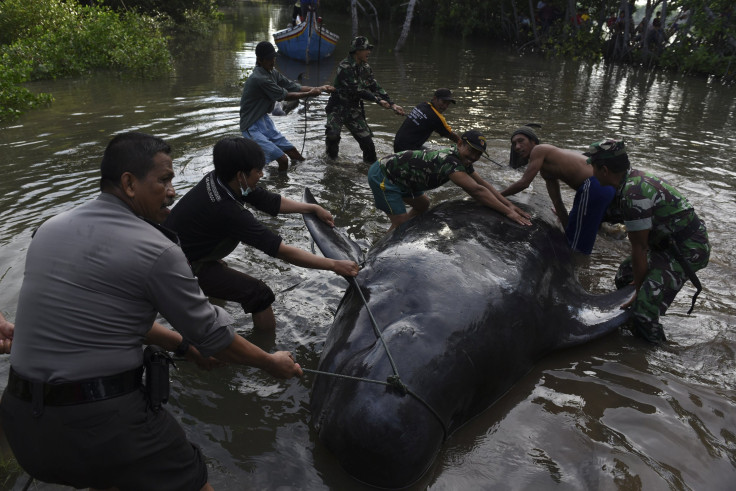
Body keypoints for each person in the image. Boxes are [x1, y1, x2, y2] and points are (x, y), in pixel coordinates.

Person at [0, 132, 302, 491]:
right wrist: (272, 363)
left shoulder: (48, 230)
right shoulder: (157, 248)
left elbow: (112, 318)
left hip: (24, 431)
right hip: (104, 424)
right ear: (129, 183)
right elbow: (214, 337)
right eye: (164, 180)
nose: (173, 191)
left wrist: (181, 346)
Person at [164, 136, 359, 331]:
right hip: (178, 268)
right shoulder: (228, 210)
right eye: (258, 171)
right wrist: (334, 265)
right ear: (241, 175)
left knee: (220, 273)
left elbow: (269, 201)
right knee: (259, 294)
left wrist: (311, 208)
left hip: (179, 250)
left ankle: (209, 304)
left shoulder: (220, 179)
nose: (262, 175)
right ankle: (265, 351)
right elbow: (281, 251)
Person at [587, 139, 710, 344]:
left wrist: (640, 290)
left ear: (605, 170)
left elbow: (640, 248)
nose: (591, 171)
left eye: (593, 166)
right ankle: (634, 324)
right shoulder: (630, 181)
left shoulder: (634, 194)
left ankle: (655, 354)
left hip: (688, 250)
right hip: (666, 245)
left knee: (644, 310)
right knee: (624, 275)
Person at [368, 130, 532, 231]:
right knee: (400, 224)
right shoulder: (450, 162)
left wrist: (510, 204)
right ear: (460, 144)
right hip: (384, 176)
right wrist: (508, 212)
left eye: (478, 154)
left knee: (423, 205)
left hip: (404, 178)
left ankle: (406, 232)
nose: (473, 157)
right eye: (471, 151)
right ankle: (378, 252)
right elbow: (477, 191)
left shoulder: (461, 160)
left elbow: (483, 184)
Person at [501, 126, 615, 255]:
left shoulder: (539, 149)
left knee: (578, 247)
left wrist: (498, 195)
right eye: (514, 144)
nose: (517, 147)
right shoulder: (547, 172)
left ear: (534, 142)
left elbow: (524, 183)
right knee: (576, 233)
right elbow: (558, 203)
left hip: (595, 185)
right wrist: (567, 232)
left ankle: (582, 266)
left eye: (521, 141)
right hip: (603, 186)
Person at [240, 41, 334, 172]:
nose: (272, 61)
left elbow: (294, 86)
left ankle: (296, 174)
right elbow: (284, 96)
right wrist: (309, 93)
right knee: (283, 159)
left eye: (273, 58)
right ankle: (279, 185)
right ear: (259, 60)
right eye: (268, 59)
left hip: (263, 120)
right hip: (251, 125)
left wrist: (320, 88)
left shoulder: (272, 73)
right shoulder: (260, 79)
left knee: (294, 153)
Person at [325, 36, 405, 163]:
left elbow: (374, 86)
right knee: (333, 135)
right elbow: (357, 90)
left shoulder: (365, 67)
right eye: (366, 49)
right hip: (337, 108)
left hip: (353, 109)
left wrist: (392, 104)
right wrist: (378, 101)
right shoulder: (345, 67)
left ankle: (369, 168)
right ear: (357, 51)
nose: (369, 52)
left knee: (368, 143)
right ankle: (330, 162)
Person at [393, 88, 460, 153]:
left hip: (397, 144)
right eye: (443, 102)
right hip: (407, 150)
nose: (445, 106)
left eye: (447, 104)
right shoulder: (437, 118)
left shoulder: (422, 105)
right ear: (434, 99)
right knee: (439, 159)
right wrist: (463, 144)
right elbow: (451, 136)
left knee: (431, 151)